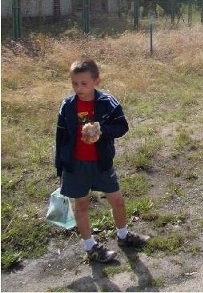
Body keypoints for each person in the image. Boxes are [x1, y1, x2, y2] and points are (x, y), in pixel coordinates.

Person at [55, 58, 149, 263]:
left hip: (101, 162)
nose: (78, 88)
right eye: (74, 83)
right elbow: (60, 136)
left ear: (96, 81)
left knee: (117, 200)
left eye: (84, 84)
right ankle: (91, 247)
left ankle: (123, 236)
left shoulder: (108, 102)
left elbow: (122, 126)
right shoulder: (68, 106)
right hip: (76, 165)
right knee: (81, 204)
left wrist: (102, 130)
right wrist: (59, 166)